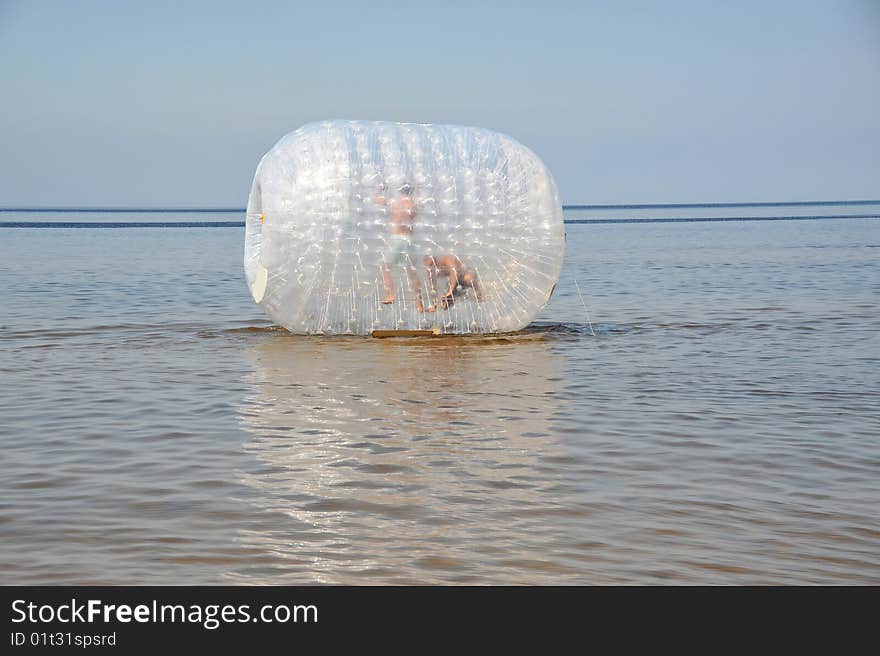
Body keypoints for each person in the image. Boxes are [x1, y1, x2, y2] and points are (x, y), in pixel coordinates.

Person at [374, 183, 424, 311]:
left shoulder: (394, 203)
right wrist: (418, 190)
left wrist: (380, 189)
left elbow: (375, 199)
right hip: (408, 239)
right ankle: (419, 304)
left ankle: (390, 295)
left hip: (396, 239)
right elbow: (417, 212)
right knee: (411, 272)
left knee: (385, 266)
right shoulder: (413, 205)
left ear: (400, 191)